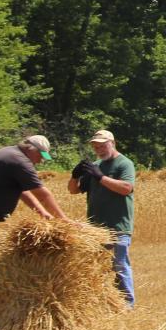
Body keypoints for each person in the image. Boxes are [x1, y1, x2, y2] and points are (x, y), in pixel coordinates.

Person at [0, 135, 71, 308]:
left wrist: (44, 214)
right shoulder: (18, 160)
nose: (40, 161)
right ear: (31, 149)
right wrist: (65, 220)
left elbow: (24, 192)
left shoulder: (11, 155)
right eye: (40, 156)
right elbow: (42, 193)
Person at [68, 129, 136, 307]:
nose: (99, 150)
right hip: (95, 229)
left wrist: (101, 177)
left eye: (103, 146)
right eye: (96, 147)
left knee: (119, 266)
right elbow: (73, 190)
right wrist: (75, 176)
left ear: (112, 143)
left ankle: (127, 305)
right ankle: (103, 304)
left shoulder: (124, 164)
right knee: (97, 267)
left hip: (118, 227)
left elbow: (126, 188)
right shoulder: (96, 165)